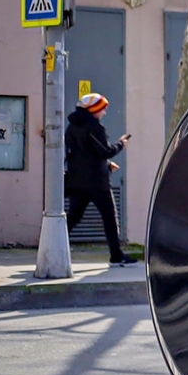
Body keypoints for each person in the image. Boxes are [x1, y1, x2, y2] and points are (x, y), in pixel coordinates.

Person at [65, 92, 132, 265]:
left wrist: (107, 165)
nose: (104, 112)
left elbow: (82, 154)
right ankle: (116, 256)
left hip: (76, 181)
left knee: (73, 217)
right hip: (97, 183)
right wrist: (121, 144)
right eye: (102, 109)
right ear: (94, 110)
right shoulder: (95, 127)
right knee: (110, 218)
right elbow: (105, 151)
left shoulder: (71, 127)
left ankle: (53, 246)